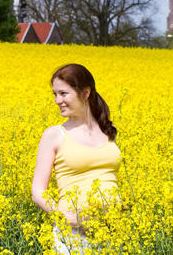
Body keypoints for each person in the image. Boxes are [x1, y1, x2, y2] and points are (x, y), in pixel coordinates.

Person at [31, 63, 122, 254]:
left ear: (85, 93)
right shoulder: (54, 135)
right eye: (55, 94)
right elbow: (38, 191)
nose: (57, 100)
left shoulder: (107, 131)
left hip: (113, 233)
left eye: (63, 94)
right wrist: (67, 218)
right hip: (75, 235)